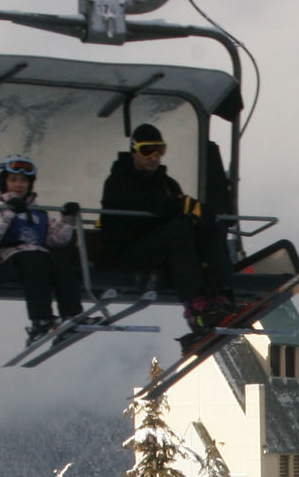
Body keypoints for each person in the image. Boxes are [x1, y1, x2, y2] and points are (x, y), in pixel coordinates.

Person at [100, 123, 233, 335]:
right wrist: (179, 208)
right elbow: (143, 204)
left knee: (209, 227)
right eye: (147, 151)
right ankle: (194, 305)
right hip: (129, 252)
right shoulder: (118, 181)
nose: (154, 157)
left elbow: (177, 208)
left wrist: (202, 216)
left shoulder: (166, 184)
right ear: (134, 150)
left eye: (159, 150)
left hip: (163, 250)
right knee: (179, 228)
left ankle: (221, 294)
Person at [0, 154, 85, 346]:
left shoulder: (37, 211)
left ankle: (72, 314)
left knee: (60, 261)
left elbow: (55, 239)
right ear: (5, 183)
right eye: (14, 180)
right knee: (34, 261)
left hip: (36, 254)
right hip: (9, 255)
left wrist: (67, 219)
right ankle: (40, 319)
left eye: (24, 181)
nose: (19, 185)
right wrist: (9, 211)